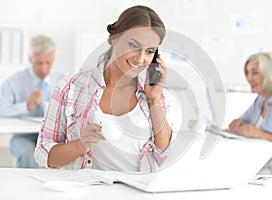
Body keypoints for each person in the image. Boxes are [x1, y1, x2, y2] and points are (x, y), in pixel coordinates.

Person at [35, 5, 173, 172]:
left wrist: (154, 98)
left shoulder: (155, 95)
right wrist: (80, 145)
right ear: (114, 38)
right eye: (133, 45)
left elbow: (164, 155)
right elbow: (43, 154)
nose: (140, 58)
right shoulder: (71, 87)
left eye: (149, 51)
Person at [228, 52, 272, 175]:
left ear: (271, 74)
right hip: (261, 166)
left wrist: (260, 134)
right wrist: (237, 123)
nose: (249, 78)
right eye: (248, 73)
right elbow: (244, 121)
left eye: (254, 73)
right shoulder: (262, 99)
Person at [0, 35, 66, 168]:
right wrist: (26, 106)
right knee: (27, 153)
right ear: (30, 59)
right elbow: (2, 108)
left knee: (63, 155)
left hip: (53, 137)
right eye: (39, 63)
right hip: (24, 136)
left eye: (49, 62)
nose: (44, 68)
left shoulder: (63, 80)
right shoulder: (14, 82)